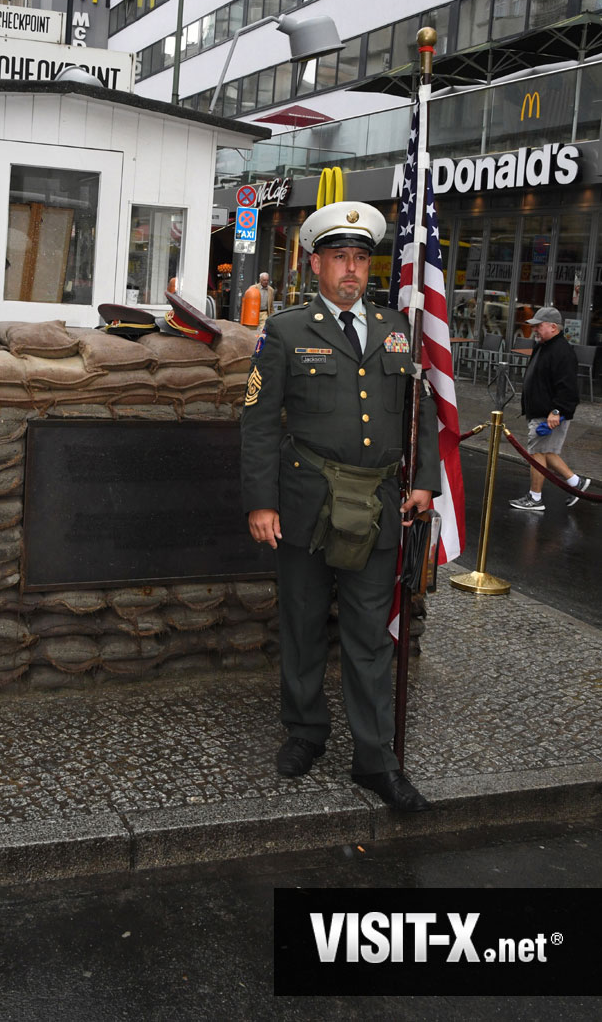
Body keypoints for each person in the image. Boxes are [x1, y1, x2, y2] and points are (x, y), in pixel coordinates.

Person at [240, 201, 440, 813]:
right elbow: (258, 422)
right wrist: (261, 502)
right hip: (304, 503)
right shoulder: (287, 331)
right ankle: (305, 732)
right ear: (316, 265)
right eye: (338, 258)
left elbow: (421, 410)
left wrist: (423, 480)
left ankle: (375, 759)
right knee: (303, 624)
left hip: (377, 505)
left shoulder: (396, 328)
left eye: (359, 258)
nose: (351, 269)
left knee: (369, 636)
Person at [509, 306, 591, 511]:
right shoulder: (544, 346)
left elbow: (568, 388)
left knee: (537, 453)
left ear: (553, 327)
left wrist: (557, 411)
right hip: (542, 411)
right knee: (547, 452)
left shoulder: (562, 351)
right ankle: (576, 483)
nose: (534, 329)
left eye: (539, 325)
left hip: (548, 414)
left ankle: (535, 498)